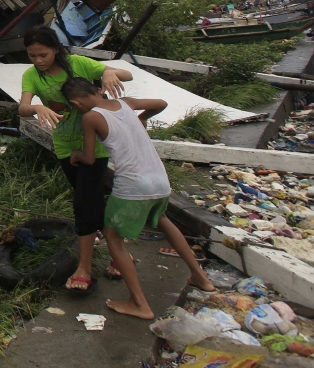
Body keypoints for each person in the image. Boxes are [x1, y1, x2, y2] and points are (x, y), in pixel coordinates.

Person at [63, 77, 216, 318]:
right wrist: (143, 118)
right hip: (159, 180)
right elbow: (161, 103)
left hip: (133, 185)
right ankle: (201, 277)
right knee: (164, 220)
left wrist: (76, 155)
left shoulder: (90, 117)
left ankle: (139, 304)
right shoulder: (126, 103)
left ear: (75, 102)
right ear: (97, 90)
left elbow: (90, 159)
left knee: (112, 236)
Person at [17, 27, 132, 292]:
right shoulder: (31, 75)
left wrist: (110, 72)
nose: (38, 60)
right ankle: (120, 255)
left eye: (43, 54)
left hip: (97, 145)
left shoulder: (78, 64)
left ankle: (85, 269)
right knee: (90, 200)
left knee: (83, 203)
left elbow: (126, 74)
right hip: (65, 146)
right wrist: (37, 106)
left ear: (56, 49)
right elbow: (23, 107)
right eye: (32, 55)